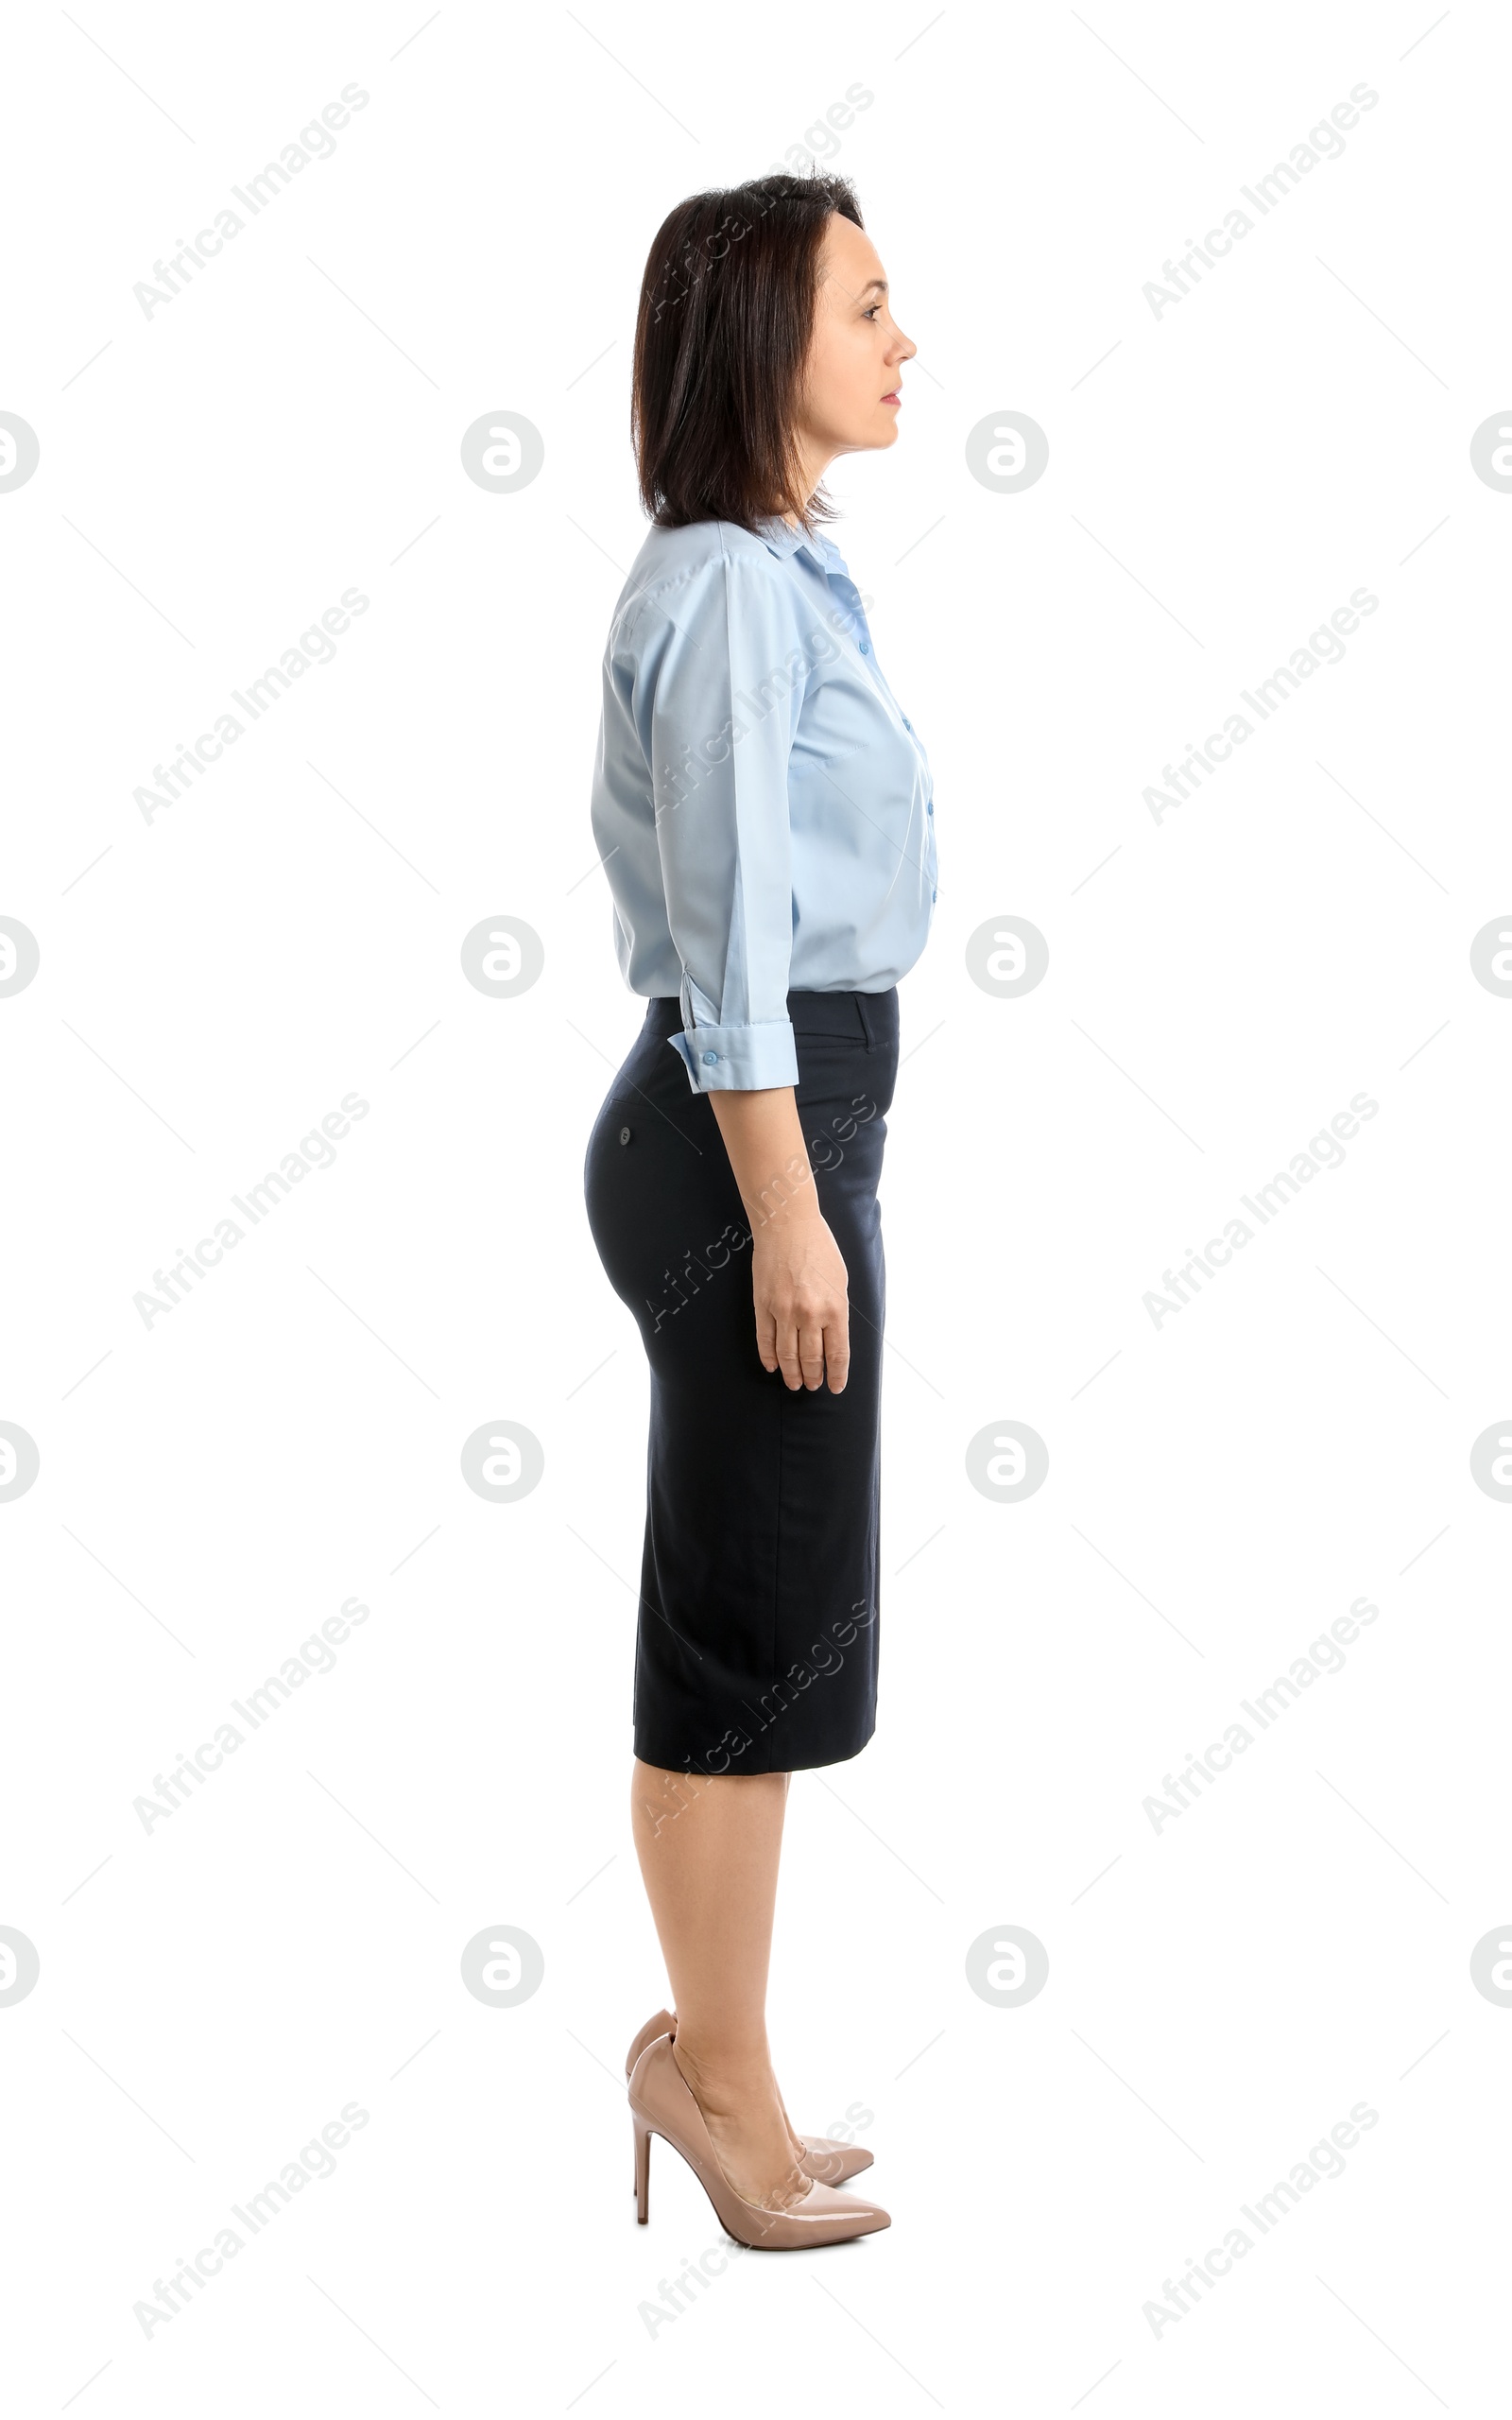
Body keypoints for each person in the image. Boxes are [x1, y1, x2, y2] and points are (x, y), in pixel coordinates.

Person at [583, 171, 936, 2250]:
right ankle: (704, 2085)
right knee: (738, 1631)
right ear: (761, 342)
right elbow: (727, 944)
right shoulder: (724, 586)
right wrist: (785, 1213)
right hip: (751, 1132)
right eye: (870, 306)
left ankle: (736, 2073)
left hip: (790, 1121)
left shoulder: (787, 569)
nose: (905, 343)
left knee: (767, 1622)